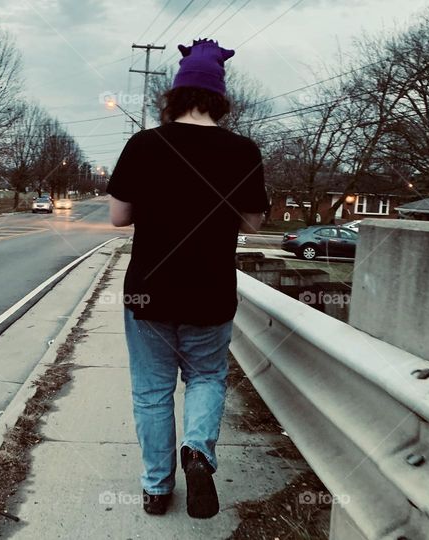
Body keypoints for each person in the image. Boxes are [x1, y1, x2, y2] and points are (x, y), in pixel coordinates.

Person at [106, 38, 268, 519]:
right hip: (210, 290)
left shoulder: (144, 144)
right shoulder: (242, 151)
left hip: (148, 290)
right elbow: (255, 222)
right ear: (220, 97)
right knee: (205, 377)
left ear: (174, 95)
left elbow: (118, 217)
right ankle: (197, 451)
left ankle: (157, 490)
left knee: (152, 391)